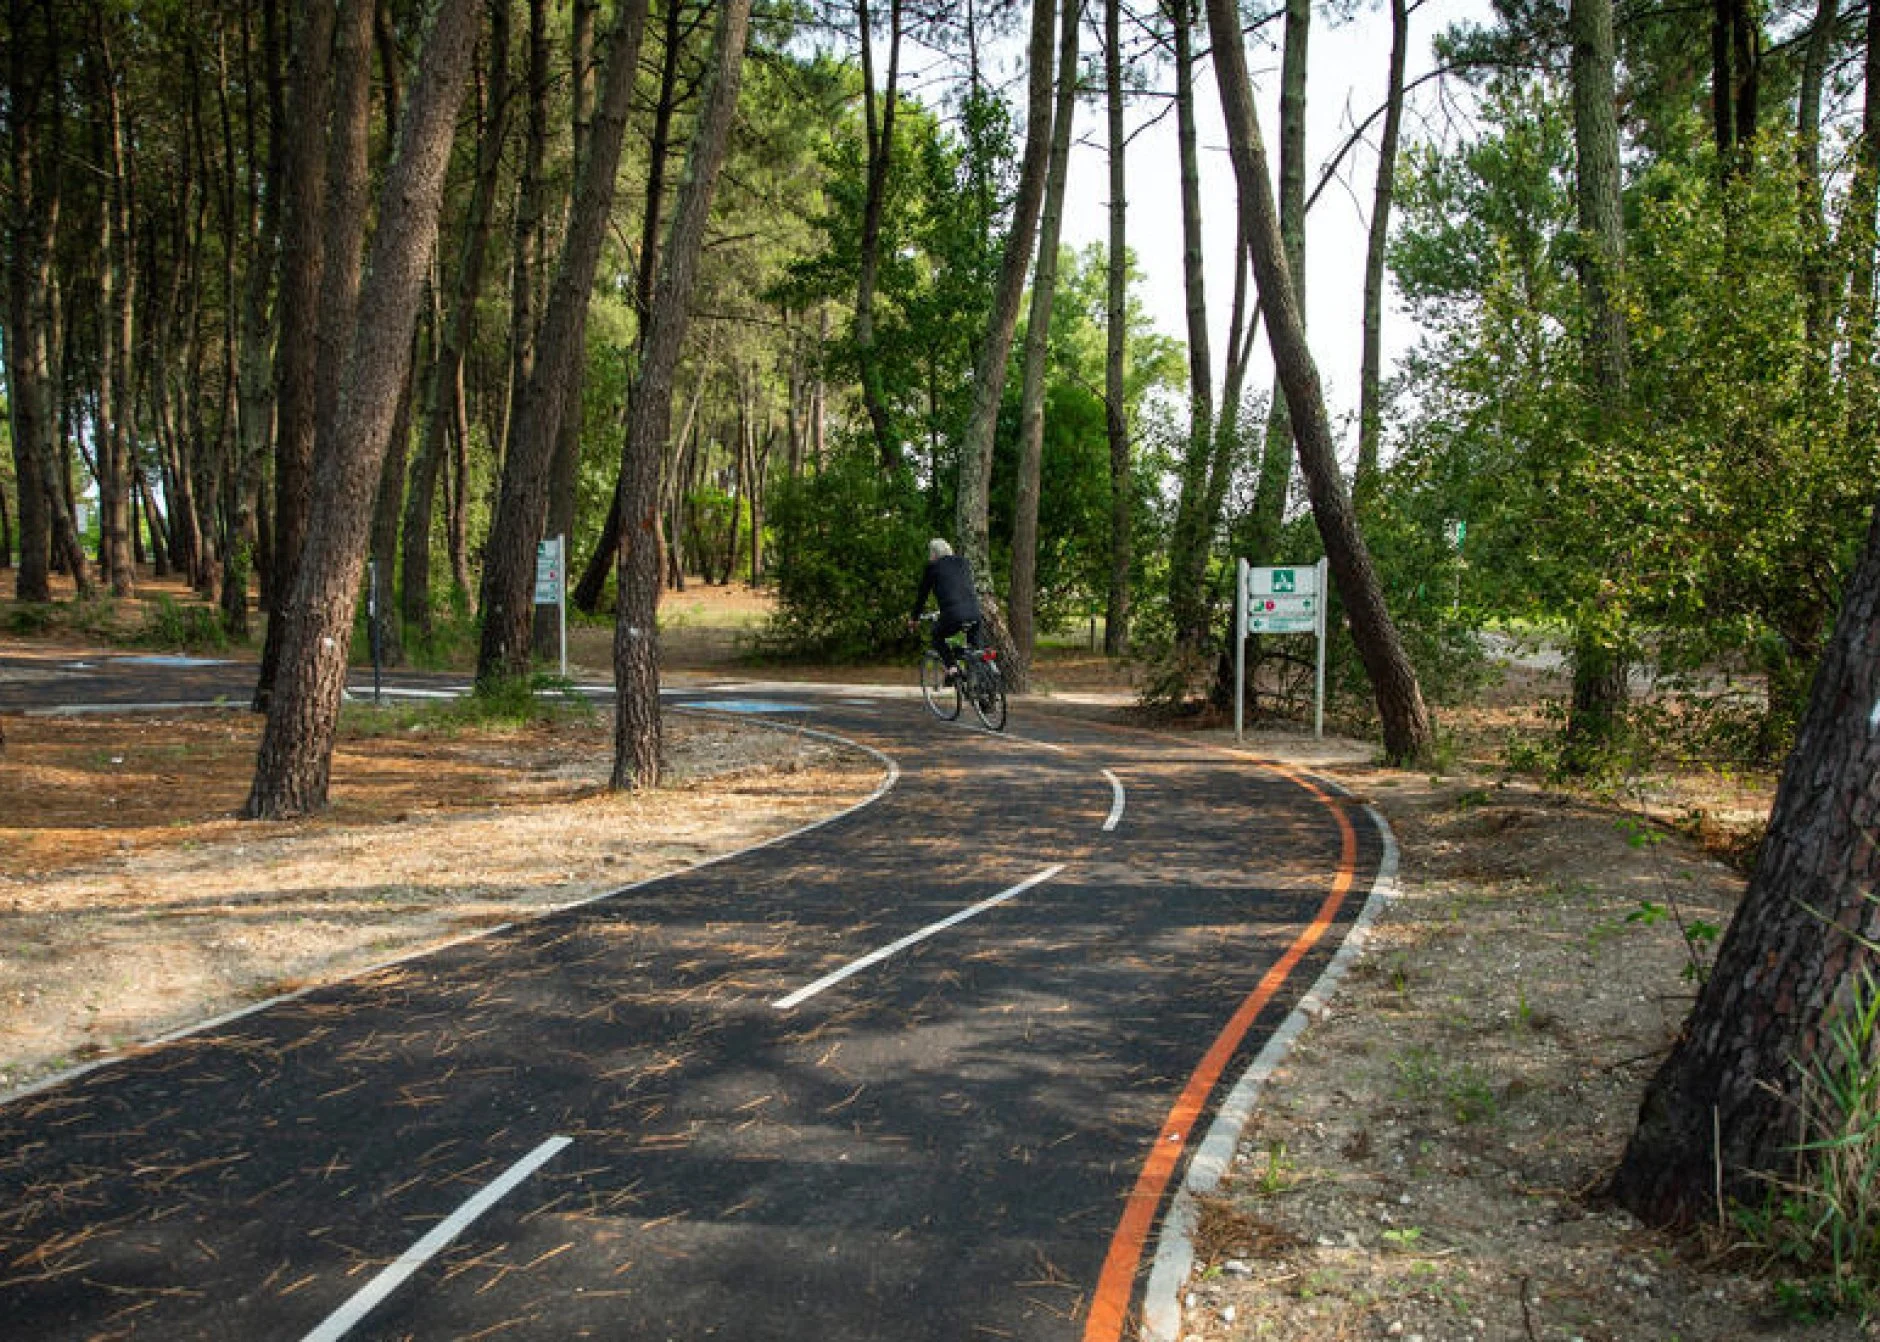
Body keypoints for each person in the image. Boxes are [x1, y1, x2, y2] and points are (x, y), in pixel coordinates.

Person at [908, 538, 981, 678]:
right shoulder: (963, 562)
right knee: (974, 650)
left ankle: (952, 668)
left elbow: (922, 595)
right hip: (975, 613)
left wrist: (914, 619)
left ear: (934, 554)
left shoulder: (932, 567)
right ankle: (980, 685)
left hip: (953, 615)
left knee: (937, 636)